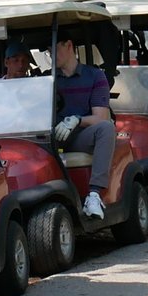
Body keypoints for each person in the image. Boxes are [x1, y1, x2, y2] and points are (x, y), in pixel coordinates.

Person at [49, 35, 119, 221]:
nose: (51, 55)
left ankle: (94, 195)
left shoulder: (94, 75)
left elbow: (101, 117)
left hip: (80, 136)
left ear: (69, 45)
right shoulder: (48, 78)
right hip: (51, 137)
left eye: (55, 49)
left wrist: (77, 120)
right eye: (48, 51)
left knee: (106, 128)